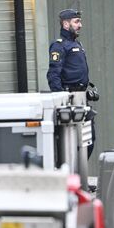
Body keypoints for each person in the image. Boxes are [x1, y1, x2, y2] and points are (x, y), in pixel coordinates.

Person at [47, 9, 99, 158]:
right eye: (76, 22)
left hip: (82, 98)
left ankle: (78, 176)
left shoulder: (77, 44)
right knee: (68, 142)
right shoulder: (59, 46)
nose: (80, 25)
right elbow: (53, 74)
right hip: (69, 99)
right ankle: (70, 176)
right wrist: (61, 98)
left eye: (79, 21)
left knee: (88, 140)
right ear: (65, 24)